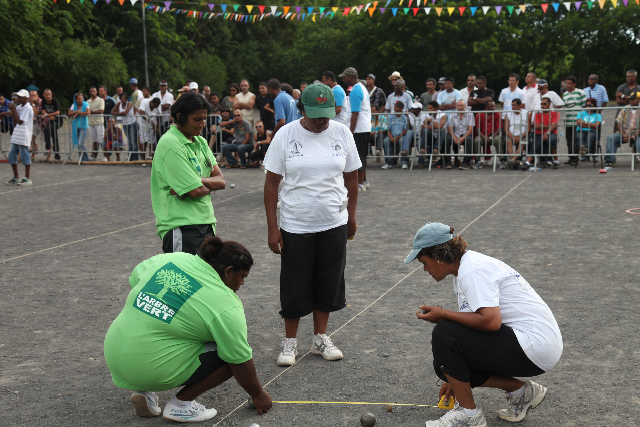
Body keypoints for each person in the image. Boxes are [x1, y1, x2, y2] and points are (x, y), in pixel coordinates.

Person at [405, 222, 562, 427]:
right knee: (443, 363)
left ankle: (469, 416)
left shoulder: (472, 270)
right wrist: (452, 378)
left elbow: (490, 322)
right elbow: (469, 331)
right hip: (533, 344)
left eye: (424, 262)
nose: (425, 269)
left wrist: (444, 314)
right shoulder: (465, 269)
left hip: (536, 345)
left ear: (438, 257)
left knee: (445, 333)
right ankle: (522, 391)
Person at [104, 236, 273, 423]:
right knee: (232, 348)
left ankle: (142, 390)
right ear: (228, 271)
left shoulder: (171, 259)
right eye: (242, 277)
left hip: (114, 356)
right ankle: (181, 405)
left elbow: (134, 279)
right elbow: (240, 360)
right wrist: (258, 394)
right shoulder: (227, 304)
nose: (242, 283)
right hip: (152, 369)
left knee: (156, 325)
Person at [263, 83, 360, 367]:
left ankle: (320, 337)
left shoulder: (341, 132)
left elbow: (351, 178)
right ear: (301, 110)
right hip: (296, 223)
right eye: (315, 115)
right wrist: (272, 226)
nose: (321, 121)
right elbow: (271, 184)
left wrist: (351, 216)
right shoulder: (286, 134)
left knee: (328, 280)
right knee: (294, 284)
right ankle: (289, 342)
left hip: (333, 221)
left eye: (326, 115)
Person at [150, 92, 226, 255]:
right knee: (183, 279)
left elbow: (221, 181)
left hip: (206, 223)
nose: (202, 124)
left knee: (203, 279)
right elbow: (195, 191)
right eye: (197, 119)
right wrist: (205, 185)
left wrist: (196, 180)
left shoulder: (201, 142)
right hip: (182, 227)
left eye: (204, 118)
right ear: (180, 116)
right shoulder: (170, 143)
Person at [339, 67, 372, 191]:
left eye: (345, 77)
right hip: (365, 126)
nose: (343, 79)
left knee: (358, 155)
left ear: (350, 77)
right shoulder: (362, 88)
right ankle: (364, 180)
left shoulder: (355, 91)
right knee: (362, 153)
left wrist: (350, 132)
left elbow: (355, 113)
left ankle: (359, 183)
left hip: (358, 128)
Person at [5, 90, 34, 186]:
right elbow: (15, 122)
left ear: (26, 98)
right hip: (16, 134)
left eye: (21, 97)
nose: (19, 98)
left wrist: (13, 110)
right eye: (18, 97)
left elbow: (20, 122)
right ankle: (16, 177)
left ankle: (27, 178)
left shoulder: (28, 108)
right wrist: (14, 111)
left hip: (24, 135)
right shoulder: (19, 107)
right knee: (11, 155)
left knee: (25, 156)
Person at [523, 97, 559, 170]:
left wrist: (547, 132)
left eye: (544, 104)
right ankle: (527, 163)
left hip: (551, 134)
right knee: (536, 144)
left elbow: (554, 125)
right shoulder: (538, 113)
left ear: (549, 104)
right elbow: (537, 125)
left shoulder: (555, 113)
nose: (542, 105)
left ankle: (556, 161)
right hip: (538, 133)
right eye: (541, 104)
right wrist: (550, 125)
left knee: (551, 140)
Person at [604, 92, 639, 166]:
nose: (631, 100)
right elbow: (618, 122)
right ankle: (609, 160)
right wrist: (623, 135)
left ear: (639, 100)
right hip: (625, 133)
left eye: (633, 99)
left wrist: (633, 136)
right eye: (630, 99)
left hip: (637, 134)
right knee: (611, 138)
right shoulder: (626, 108)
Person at [444, 99, 474, 170]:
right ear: (456, 106)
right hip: (455, 134)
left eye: (462, 105)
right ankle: (447, 161)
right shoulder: (453, 114)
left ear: (465, 106)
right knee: (447, 139)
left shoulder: (470, 114)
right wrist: (454, 137)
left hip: (465, 134)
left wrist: (462, 138)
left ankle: (466, 162)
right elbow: (450, 128)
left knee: (469, 139)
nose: (460, 107)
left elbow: (470, 129)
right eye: (459, 105)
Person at [473, 100, 502, 169]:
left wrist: (491, 137)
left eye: (494, 106)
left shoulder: (497, 114)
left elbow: (498, 129)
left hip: (494, 135)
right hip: (482, 135)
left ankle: (502, 160)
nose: (493, 108)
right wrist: (483, 137)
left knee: (498, 140)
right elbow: (477, 129)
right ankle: (477, 161)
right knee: (477, 140)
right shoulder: (479, 115)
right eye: (491, 106)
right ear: (486, 107)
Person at [418, 101, 447, 168]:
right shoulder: (426, 114)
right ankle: (424, 149)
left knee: (442, 130)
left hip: (441, 137)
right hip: (431, 136)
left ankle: (436, 149)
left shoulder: (443, 115)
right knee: (426, 130)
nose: (428, 110)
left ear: (435, 108)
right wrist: (435, 126)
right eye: (428, 108)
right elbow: (423, 127)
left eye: (430, 108)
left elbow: (440, 126)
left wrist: (431, 121)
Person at [382, 101, 408, 169]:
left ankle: (404, 162)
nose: (395, 109)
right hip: (392, 135)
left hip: (401, 136)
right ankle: (388, 162)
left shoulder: (404, 117)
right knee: (386, 141)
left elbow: (405, 130)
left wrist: (398, 137)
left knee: (402, 141)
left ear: (401, 108)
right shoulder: (390, 116)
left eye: (397, 107)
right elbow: (389, 129)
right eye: (395, 107)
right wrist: (391, 137)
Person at [112, 93, 139, 161]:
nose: (123, 99)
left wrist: (117, 114)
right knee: (129, 142)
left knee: (133, 141)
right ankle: (130, 156)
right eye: (121, 98)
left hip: (132, 123)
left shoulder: (129, 103)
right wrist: (120, 114)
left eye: (124, 98)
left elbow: (125, 113)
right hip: (125, 124)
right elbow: (112, 111)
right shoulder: (119, 104)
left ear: (126, 99)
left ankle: (135, 157)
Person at [574, 98, 602, 163]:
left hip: (592, 131)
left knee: (590, 137)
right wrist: (590, 125)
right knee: (579, 137)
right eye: (586, 105)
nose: (587, 107)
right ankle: (583, 150)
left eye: (590, 105)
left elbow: (596, 125)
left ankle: (584, 150)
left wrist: (584, 123)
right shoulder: (581, 113)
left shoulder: (598, 115)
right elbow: (578, 123)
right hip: (581, 130)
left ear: (594, 106)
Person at [69, 92, 92, 162]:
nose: (80, 100)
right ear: (76, 99)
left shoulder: (85, 104)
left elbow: (88, 112)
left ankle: (86, 159)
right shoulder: (74, 105)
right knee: (80, 144)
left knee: (80, 143)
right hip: (76, 126)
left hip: (84, 126)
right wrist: (76, 112)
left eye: (81, 98)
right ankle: (82, 158)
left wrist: (80, 113)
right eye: (78, 98)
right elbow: (69, 114)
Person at [505, 99, 528, 169]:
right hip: (511, 135)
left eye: (514, 105)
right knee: (508, 142)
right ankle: (514, 160)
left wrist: (520, 137)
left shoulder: (527, 113)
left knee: (522, 142)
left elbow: (528, 129)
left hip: (523, 134)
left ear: (520, 105)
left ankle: (512, 160)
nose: (512, 107)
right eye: (512, 105)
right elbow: (506, 129)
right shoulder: (508, 114)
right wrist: (512, 137)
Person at [40, 89, 61, 161]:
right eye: (46, 95)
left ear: (51, 94)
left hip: (58, 120)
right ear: (43, 95)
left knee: (49, 132)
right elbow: (43, 110)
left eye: (49, 94)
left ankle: (52, 151)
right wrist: (49, 116)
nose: (47, 96)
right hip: (51, 120)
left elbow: (57, 112)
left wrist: (47, 115)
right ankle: (53, 152)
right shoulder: (43, 101)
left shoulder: (55, 101)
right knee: (51, 134)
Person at [87, 86, 105, 160]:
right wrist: (93, 111)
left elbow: (101, 111)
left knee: (101, 140)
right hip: (91, 123)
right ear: (89, 92)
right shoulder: (88, 101)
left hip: (99, 122)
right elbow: (87, 111)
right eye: (91, 91)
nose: (93, 93)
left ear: (96, 92)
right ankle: (93, 156)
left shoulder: (100, 100)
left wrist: (92, 111)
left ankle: (105, 156)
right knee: (94, 140)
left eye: (94, 91)